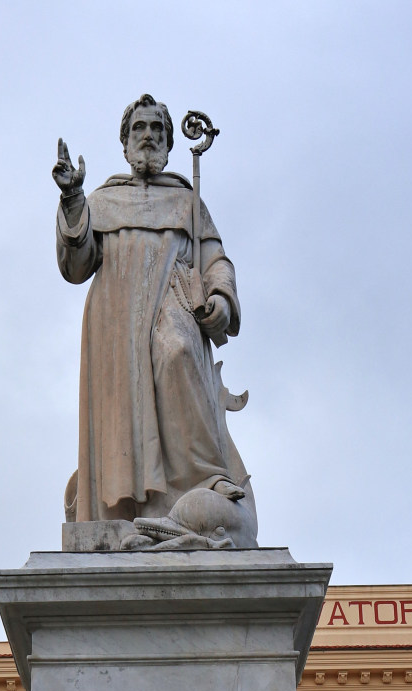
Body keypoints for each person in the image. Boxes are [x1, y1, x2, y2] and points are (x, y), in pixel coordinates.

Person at [54, 94, 256, 546]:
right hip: (116, 320)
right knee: (123, 408)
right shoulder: (103, 199)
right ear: (125, 143)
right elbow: (77, 265)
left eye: (157, 130)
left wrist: (221, 297)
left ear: (167, 142)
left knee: (179, 353)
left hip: (173, 300)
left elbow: (214, 258)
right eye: (139, 129)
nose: (148, 136)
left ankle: (204, 481)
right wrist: (72, 199)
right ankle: (128, 511)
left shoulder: (186, 199)